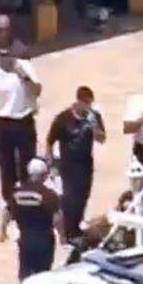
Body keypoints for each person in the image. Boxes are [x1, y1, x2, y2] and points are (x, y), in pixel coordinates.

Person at [2, 158, 63, 284]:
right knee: (41, 276)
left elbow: (7, 212)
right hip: (44, 240)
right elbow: (57, 219)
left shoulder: (17, 193)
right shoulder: (49, 195)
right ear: (44, 176)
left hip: (25, 239)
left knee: (25, 274)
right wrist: (63, 237)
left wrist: (2, 231)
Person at [0, 45, 43, 210]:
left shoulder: (24, 67)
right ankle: (10, 203)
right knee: (6, 165)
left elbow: (37, 91)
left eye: (8, 55)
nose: (5, 59)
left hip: (24, 120)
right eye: (1, 55)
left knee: (28, 163)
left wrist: (24, 77)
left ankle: (30, 198)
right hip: (3, 122)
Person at [47, 86, 106, 240]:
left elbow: (102, 139)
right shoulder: (63, 118)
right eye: (86, 104)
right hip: (68, 165)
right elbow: (50, 141)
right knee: (70, 198)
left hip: (86, 164)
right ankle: (68, 231)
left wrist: (94, 127)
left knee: (83, 197)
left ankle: (76, 227)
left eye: (90, 104)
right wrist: (51, 162)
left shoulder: (94, 116)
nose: (88, 107)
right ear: (78, 101)